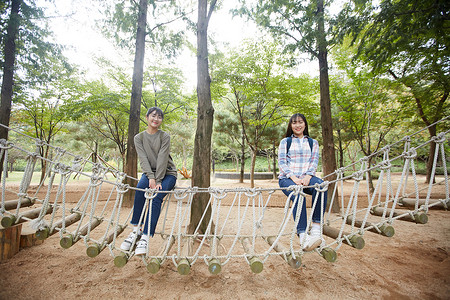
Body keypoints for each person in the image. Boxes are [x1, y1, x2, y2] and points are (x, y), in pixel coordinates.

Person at [120, 107, 177, 255]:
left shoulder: (164, 137)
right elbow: (143, 159)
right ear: (147, 117)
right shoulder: (138, 138)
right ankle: (136, 230)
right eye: (153, 116)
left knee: (156, 196)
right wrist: (151, 178)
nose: (156, 119)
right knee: (140, 189)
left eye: (159, 117)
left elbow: (163, 158)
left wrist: (158, 180)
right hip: (149, 173)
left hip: (168, 174)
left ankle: (145, 236)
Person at [278, 113, 327, 251]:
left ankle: (316, 230)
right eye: (294, 123)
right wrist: (293, 178)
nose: (297, 125)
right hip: (288, 179)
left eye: (300, 122)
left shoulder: (313, 143)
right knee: (298, 195)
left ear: (305, 124)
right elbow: (282, 162)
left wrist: (308, 176)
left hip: (307, 178)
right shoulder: (285, 142)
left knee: (322, 186)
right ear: (290, 125)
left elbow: (314, 162)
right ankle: (303, 235)